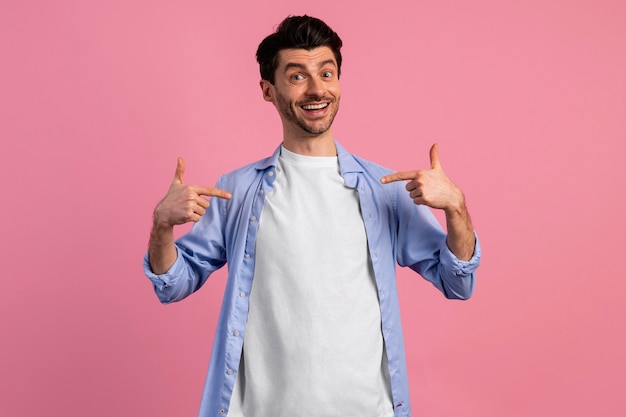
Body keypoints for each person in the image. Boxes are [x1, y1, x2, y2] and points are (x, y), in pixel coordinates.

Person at [144, 15, 481, 417]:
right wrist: (162, 226)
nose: (317, 88)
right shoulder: (236, 191)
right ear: (268, 90)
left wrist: (457, 210)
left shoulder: (384, 190)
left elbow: (457, 281)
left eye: (327, 72)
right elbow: (173, 284)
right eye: (298, 76)